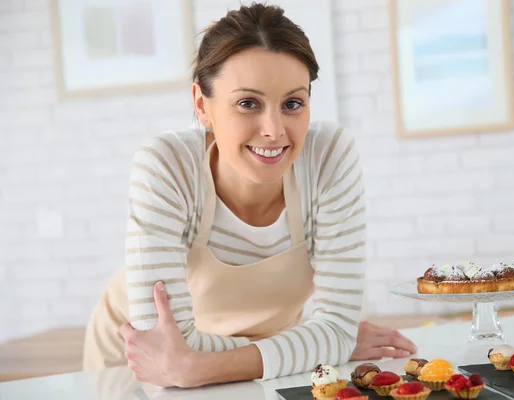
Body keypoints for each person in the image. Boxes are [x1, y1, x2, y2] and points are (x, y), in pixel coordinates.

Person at [83, 2, 417, 388]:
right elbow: (168, 349)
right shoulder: (166, 167)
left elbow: (337, 332)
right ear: (201, 104)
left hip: (238, 366)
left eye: (293, 103)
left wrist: (197, 366)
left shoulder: (327, 158)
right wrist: (317, 342)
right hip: (133, 359)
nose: (274, 130)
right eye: (247, 103)